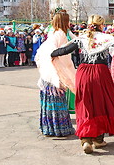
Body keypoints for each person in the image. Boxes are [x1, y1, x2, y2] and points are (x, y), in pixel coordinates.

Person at [51, 14, 114, 154]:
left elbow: (63, 51)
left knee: (85, 104)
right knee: (102, 104)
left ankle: (86, 139)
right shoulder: (106, 38)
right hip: (100, 73)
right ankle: (98, 140)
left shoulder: (81, 38)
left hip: (83, 73)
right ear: (101, 25)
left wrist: (49, 54)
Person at [34, 9, 76, 137]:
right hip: (55, 73)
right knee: (56, 100)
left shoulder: (59, 33)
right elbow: (51, 52)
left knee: (51, 101)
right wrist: (61, 53)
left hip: (51, 73)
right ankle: (59, 128)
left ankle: (50, 128)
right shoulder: (59, 34)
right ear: (65, 22)